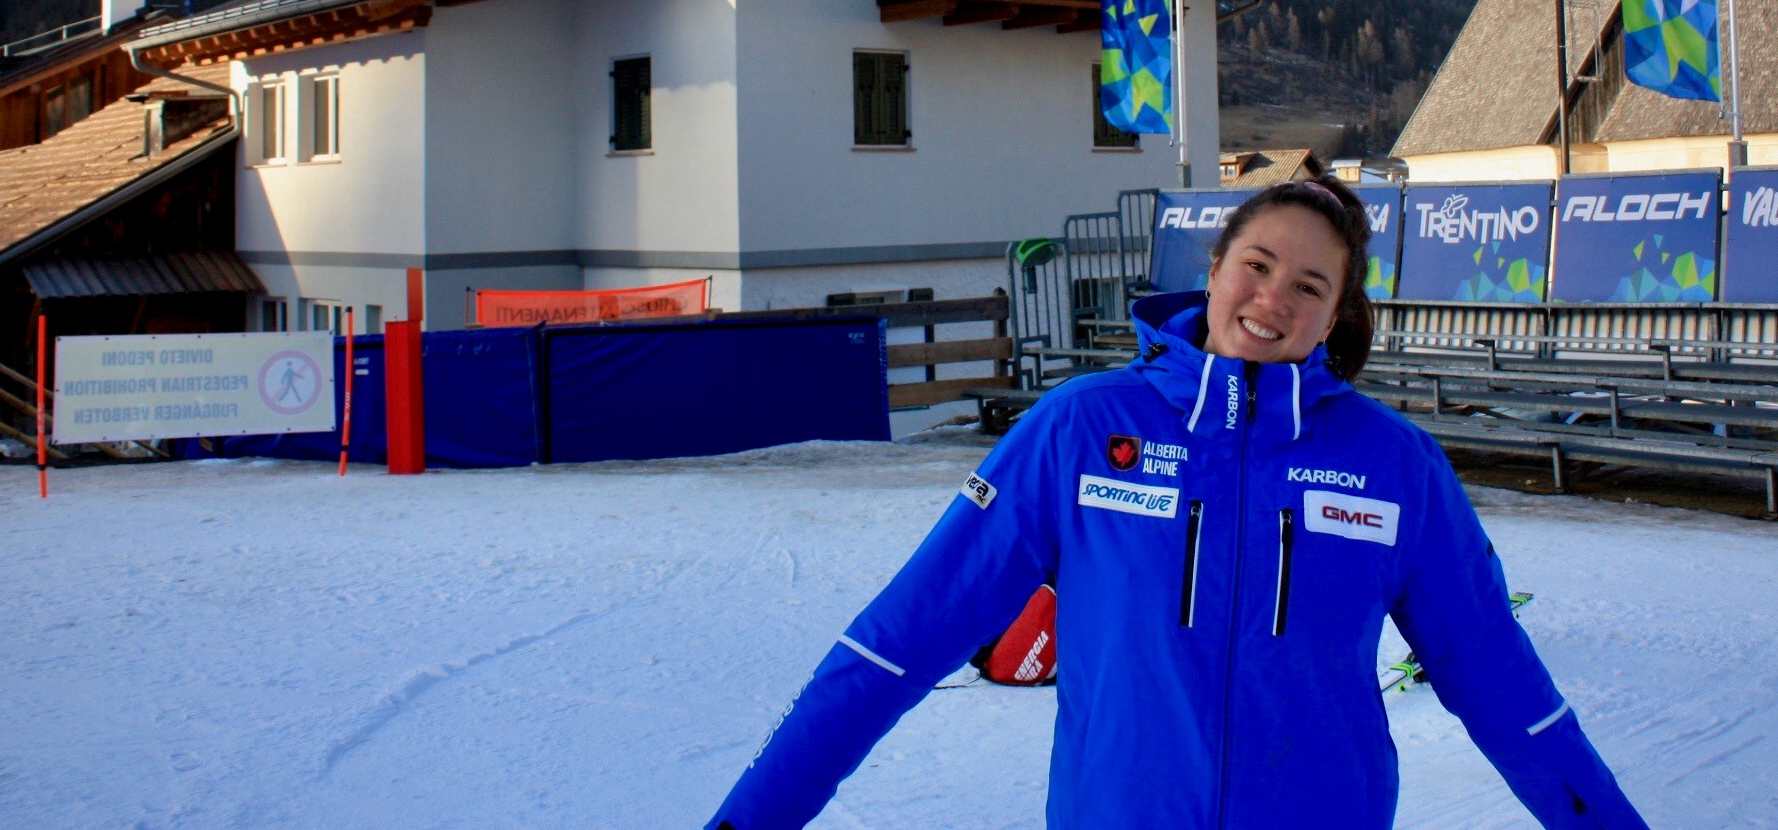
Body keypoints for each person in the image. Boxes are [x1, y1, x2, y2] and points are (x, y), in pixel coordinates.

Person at [706, 181, 1648, 829]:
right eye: (1259, 264)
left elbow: (1507, 691)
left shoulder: (1392, 465)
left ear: (1336, 316)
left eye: (1309, 286)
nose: (1273, 298)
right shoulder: (1081, 430)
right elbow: (895, 644)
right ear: (1215, 267)